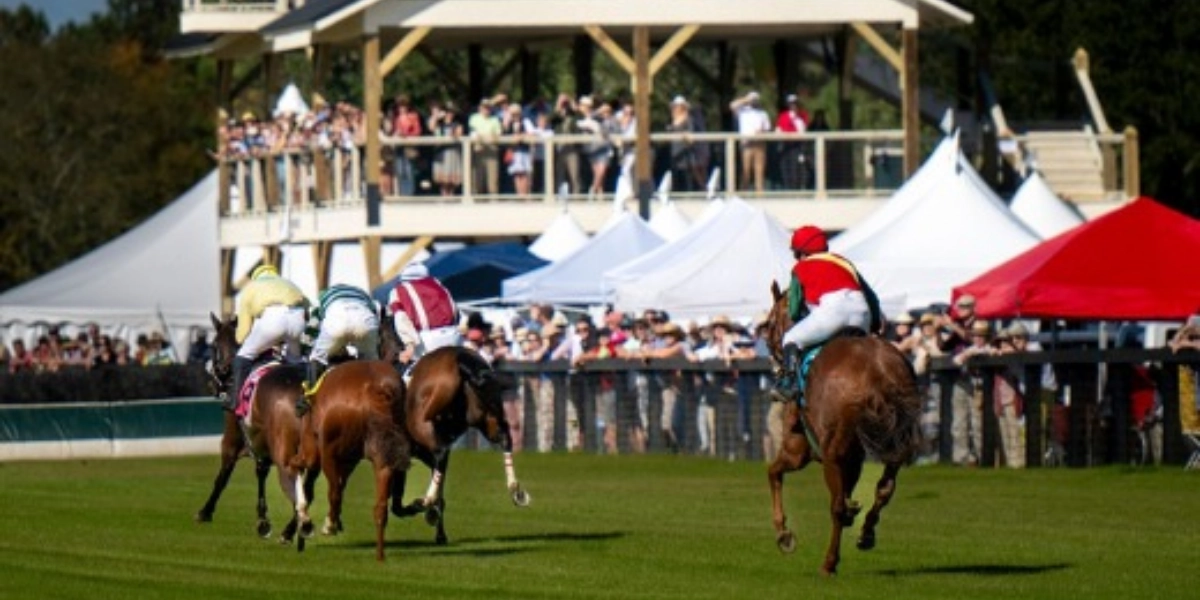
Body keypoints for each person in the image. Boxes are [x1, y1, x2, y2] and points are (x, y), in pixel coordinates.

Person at [773, 225, 882, 403]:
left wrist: (801, 321)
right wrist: (874, 325)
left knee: (790, 338)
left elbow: (794, 308)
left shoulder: (800, 268)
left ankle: (788, 384)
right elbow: (871, 297)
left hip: (832, 313)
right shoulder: (844, 262)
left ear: (801, 252)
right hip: (862, 314)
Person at [228, 264, 310, 411]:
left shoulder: (250, 288)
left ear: (255, 277)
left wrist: (240, 341)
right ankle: (306, 397)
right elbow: (307, 307)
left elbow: (243, 330)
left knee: (244, 355)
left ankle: (236, 401)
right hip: (297, 319)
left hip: (272, 320)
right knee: (295, 360)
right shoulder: (288, 283)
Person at [302, 283, 380, 405]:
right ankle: (378, 395)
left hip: (337, 319)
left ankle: (308, 401)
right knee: (372, 361)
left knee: (317, 357)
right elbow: (376, 316)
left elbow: (312, 327)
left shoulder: (325, 296)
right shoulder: (362, 293)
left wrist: (305, 347)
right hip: (365, 318)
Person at [386, 261, 460, 378]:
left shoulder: (398, 290)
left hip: (427, 342)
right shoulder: (438, 284)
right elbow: (456, 312)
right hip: (454, 336)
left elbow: (401, 319)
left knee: (406, 377)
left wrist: (410, 344)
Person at [729, 91, 772, 194]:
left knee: (759, 170)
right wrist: (746, 100)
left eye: (755, 100)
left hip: (759, 143)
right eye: (753, 100)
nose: (754, 102)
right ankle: (744, 193)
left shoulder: (763, 113)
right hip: (747, 144)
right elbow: (732, 105)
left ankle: (760, 193)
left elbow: (767, 128)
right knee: (745, 170)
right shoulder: (743, 111)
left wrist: (762, 132)